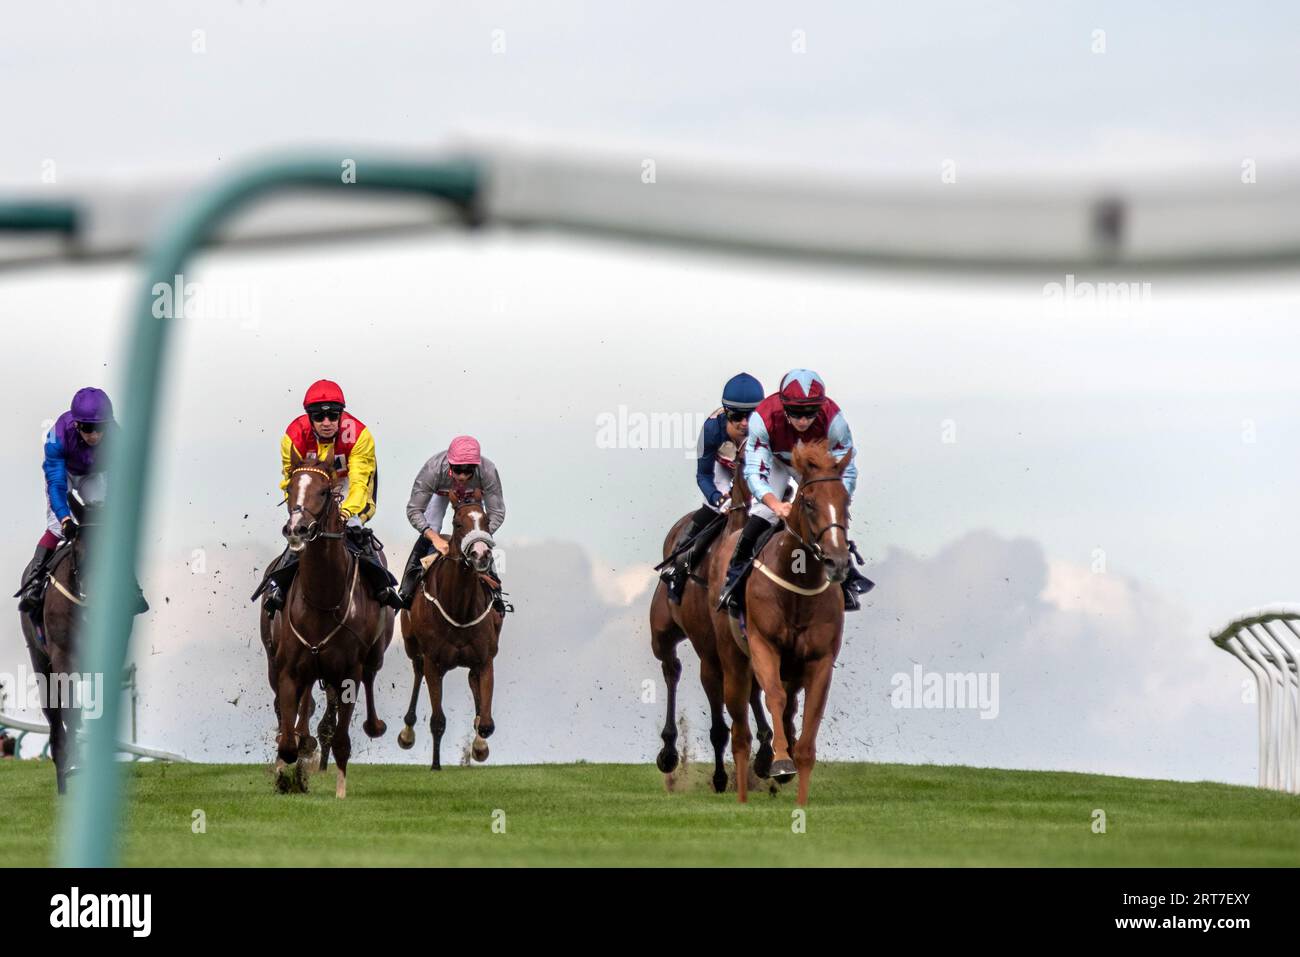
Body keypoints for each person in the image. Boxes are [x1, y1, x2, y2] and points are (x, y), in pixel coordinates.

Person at [717, 368, 873, 615]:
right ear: (783, 406)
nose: (803, 421)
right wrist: (775, 504)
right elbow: (755, 473)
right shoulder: (763, 418)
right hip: (776, 460)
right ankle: (734, 578)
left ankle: (847, 577)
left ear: (820, 408)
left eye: (810, 413)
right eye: (796, 413)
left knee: (826, 511)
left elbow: (847, 468)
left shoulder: (835, 421)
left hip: (814, 464)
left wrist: (839, 499)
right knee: (763, 514)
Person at [252, 379, 402, 614]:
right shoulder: (293, 437)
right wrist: (299, 513)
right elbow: (290, 482)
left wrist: (345, 512)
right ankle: (278, 585)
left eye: (333, 416)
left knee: (353, 528)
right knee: (301, 532)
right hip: (311, 485)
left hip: (348, 484)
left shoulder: (360, 435)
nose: (327, 423)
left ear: (341, 415)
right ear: (309, 417)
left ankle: (381, 583)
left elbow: (360, 483)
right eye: (319, 417)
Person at [15, 387, 147, 615]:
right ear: (76, 425)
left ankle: (130, 585)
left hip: (94, 473)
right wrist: (66, 518)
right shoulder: (56, 438)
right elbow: (56, 485)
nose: (94, 435)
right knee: (56, 527)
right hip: (63, 473)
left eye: (100, 428)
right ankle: (35, 585)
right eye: (88, 428)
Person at [659, 372, 764, 604]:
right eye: (737, 416)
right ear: (726, 412)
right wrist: (718, 498)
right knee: (714, 510)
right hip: (723, 470)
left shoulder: (769, 429)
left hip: (758, 472)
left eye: (751, 415)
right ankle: (679, 566)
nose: (745, 423)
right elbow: (703, 475)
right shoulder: (710, 430)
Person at [395, 435, 509, 613]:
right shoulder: (433, 470)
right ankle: (406, 590)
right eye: (457, 470)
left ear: (477, 466)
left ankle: (496, 595)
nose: (462, 476)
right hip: (441, 493)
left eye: (468, 470)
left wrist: (478, 535)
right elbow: (414, 510)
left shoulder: (487, 471)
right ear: (449, 464)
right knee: (433, 523)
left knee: (479, 530)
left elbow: (497, 513)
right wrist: (434, 538)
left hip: (473, 498)